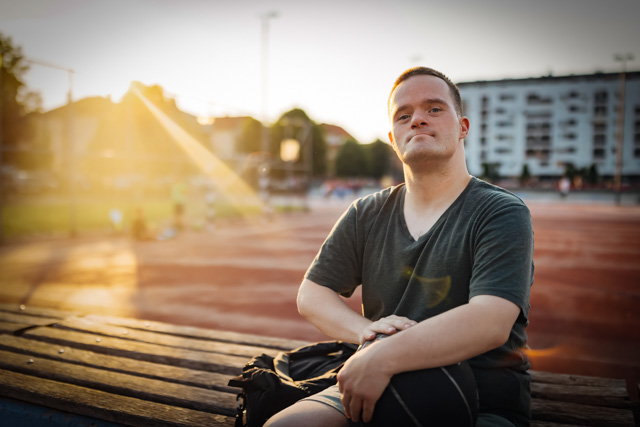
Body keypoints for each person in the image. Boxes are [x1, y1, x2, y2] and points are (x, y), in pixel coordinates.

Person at [265, 67, 534, 427]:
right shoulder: (366, 212)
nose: (418, 120)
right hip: (380, 376)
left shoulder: (500, 211)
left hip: (481, 398)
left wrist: (384, 354)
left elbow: (490, 322)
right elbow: (312, 293)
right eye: (404, 115)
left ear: (463, 127)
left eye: (434, 109)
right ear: (393, 138)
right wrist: (364, 333)